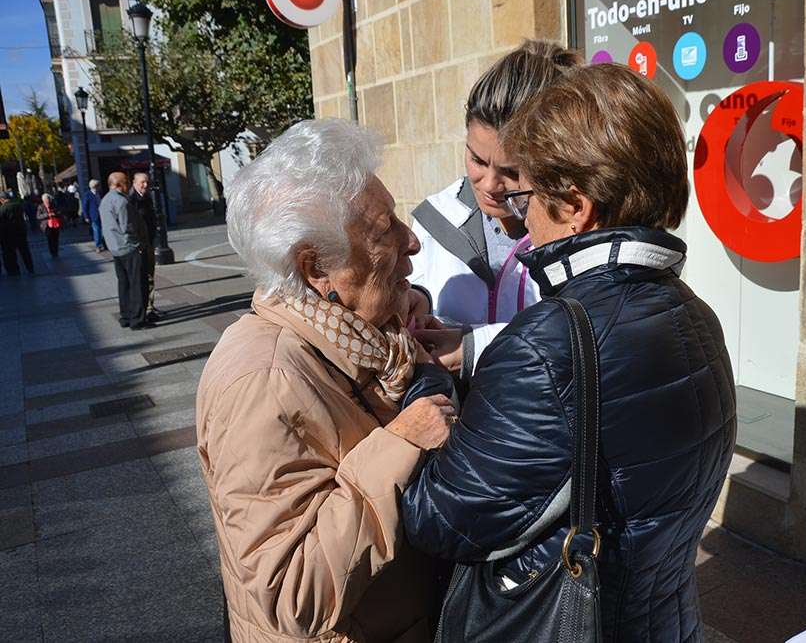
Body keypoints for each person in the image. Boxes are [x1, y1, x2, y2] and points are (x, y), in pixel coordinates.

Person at [402, 64, 738, 642]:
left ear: (577, 207)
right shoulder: (695, 313)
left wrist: (426, 380)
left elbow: (442, 518)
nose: (522, 217)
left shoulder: (545, 343)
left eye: (527, 194)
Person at [197, 119, 458, 642]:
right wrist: (401, 441)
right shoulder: (263, 381)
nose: (412, 242)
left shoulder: (362, 338)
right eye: (385, 231)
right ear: (318, 270)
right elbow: (295, 594)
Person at [406, 40, 580, 386]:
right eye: (477, 160)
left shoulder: (573, 231)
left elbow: (578, 340)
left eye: (512, 172)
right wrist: (417, 302)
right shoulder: (433, 219)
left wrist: (472, 349)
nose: (489, 184)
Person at [99, 172, 150, 330]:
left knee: (124, 284)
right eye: (126, 182)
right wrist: (138, 244)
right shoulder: (121, 201)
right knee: (137, 284)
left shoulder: (105, 200)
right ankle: (137, 319)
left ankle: (126, 315)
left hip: (115, 248)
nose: (128, 185)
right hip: (128, 248)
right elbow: (127, 227)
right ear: (120, 184)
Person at [130, 172, 158, 318]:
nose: (145, 185)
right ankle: (145, 308)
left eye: (147, 182)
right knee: (143, 278)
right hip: (140, 245)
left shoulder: (147, 198)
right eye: (142, 182)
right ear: (134, 183)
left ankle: (150, 306)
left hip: (149, 242)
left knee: (150, 276)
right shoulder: (132, 200)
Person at [0, 191, 35, 275]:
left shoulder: (2, 209)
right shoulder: (18, 206)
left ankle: (14, 270)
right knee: (25, 251)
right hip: (21, 232)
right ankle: (30, 268)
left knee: (10, 253)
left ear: (2, 199)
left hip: (8, 235)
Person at [82, 179, 106, 252]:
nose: (99, 187)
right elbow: (85, 206)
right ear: (94, 186)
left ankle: (103, 244)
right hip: (94, 215)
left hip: (102, 214)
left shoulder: (100, 193)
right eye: (98, 186)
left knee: (103, 230)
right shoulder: (88, 195)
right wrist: (86, 216)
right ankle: (98, 245)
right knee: (97, 230)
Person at [36, 193, 63, 259]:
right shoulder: (41, 206)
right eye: (46, 200)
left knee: (56, 238)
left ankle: (56, 251)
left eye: (48, 199)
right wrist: (47, 215)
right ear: (43, 200)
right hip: (47, 225)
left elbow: (59, 212)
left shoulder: (53, 205)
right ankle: (52, 252)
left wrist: (55, 213)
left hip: (55, 224)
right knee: (50, 239)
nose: (47, 201)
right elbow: (38, 216)